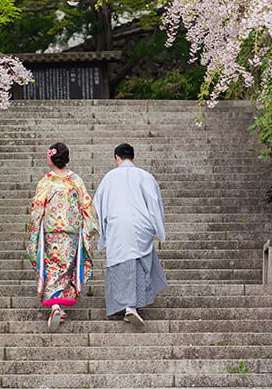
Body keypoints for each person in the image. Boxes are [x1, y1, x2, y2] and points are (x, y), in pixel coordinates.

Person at [93, 143, 168, 326]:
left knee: (122, 264)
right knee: (139, 262)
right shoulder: (145, 176)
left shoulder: (109, 178)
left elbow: (98, 205)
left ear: (117, 158)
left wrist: (102, 229)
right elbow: (154, 202)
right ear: (133, 158)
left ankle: (127, 305)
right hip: (141, 225)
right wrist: (157, 228)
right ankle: (133, 305)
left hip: (118, 224)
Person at [26, 142, 99, 332]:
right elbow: (87, 205)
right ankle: (60, 304)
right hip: (72, 231)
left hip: (52, 230)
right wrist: (88, 229)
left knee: (52, 264)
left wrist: (35, 226)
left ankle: (55, 305)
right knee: (67, 265)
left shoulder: (46, 181)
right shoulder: (75, 180)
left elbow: (37, 207)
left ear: (51, 158)